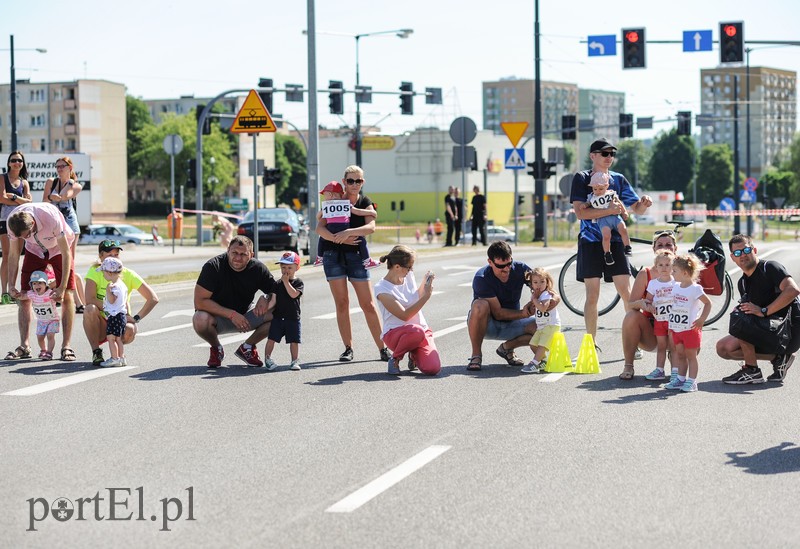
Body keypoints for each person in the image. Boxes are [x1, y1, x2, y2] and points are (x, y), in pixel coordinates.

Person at [570, 138, 652, 349]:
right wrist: (611, 211)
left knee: (628, 293)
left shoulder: (618, 179)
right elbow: (581, 213)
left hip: (615, 242)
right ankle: (591, 342)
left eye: (612, 154)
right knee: (592, 294)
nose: (609, 157)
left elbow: (636, 209)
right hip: (590, 241)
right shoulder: (582, 178)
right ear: (593, 156)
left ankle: (636, 340)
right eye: (604, 153)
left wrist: (643, 204)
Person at [316, 165, 389, 363]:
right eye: (350, 181)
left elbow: (371, 227)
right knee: (342, 303)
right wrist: (337, 239)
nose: (354, 184)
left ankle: (383, 348)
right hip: (333, 256)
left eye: (358, 181)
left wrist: (349, 233)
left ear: (362, 182)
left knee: (368, 304)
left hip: (357, 257)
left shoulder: (365, 202)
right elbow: (319, 228)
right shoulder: (334, 201)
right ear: (344, 182)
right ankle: (348, 348)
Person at [717, 235, 800, 384]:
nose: (742, 255)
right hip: (770, 330)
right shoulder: (743, 283)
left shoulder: (770, 267)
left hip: (789, 330)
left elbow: (792, 290)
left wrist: (764, 311)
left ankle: (752, 370)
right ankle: (779, 358)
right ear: (733, 257)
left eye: (746, 249)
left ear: (754, 250)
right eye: (737, 253)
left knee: (742, 320)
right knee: (724, 348)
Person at [5, 202, 77, 362]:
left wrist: (62, 288)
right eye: (22, 237)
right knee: (23, 295)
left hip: (59, 249)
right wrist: (10, 284)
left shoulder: (50, 217)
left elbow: (66, 254)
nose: (24, 238)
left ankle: (66, 346)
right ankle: (24, 346)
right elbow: (13, 254)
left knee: (67, 295)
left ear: (33, 223)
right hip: (35, 250)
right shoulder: (13, 221)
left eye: (27, 234)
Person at [193, 236, 277, 369]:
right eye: (234, 253)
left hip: (246, 316)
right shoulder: (213, 266)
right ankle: (216, 349)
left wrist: (266, 298)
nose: (238, 258)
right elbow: (199, 302)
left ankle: (247, 348)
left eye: (243, 254)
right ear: (228, 251)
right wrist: (231, 314)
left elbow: (279, 293)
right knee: (199, 318)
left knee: (283, 313)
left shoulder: (258, 268)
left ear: (251, 255)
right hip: (217, 318)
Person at [465, 241, 545, 371]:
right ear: (490, 262)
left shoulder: (520, 269)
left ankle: (507, 348)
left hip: (512, 324)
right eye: (501, 266)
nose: (507, 269)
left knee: (543, 327)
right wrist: (524, 313)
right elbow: (498, 313)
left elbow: (542, 285)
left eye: (509, 264)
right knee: (480, 305)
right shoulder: (482, 277)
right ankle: (476, 355)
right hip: (487, 326)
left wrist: (539, 298)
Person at [83, 240, 160, 366]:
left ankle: (118, 355)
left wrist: (136, 318)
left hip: (118, 319)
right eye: (109, 255)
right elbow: (89, 299)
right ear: (101, 257)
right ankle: (96, 351)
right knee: (89, 309)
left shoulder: (128, 274)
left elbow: (153, 298)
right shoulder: (95, 271)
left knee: (130, 329)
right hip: (102, 321)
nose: (113, 258)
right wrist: (110, 309)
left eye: (116, 255)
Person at [620, 230, 679, 379]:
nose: (664, 248)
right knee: (631, 316)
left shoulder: (683, 272)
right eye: (660, 245)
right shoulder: (645, 274)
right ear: (654, 249)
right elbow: (631, 303)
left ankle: (677, 361)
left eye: (668, 245)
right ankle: (628, 365)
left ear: (675, 249)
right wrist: (641, 303)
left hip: (677, 328)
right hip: (653, 332)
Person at [374, 245, 441, 376]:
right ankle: (395, 358)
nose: (411, 270)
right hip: (396, 334)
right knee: (416, 331)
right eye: (409, 267)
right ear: (397, 267)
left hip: (420, 331)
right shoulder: (382, 289)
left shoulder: (407, 276)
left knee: (432, 368)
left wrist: (425, 282)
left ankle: (413, 354)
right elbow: (404, 315)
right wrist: (426, 297)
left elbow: (415, 296)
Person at [661, 254, 711, 392]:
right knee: (680, 354)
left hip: (690, 328)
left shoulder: (695, 289)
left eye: (674, 271)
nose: (672, 273)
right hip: (677, 328)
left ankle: (692, 381)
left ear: (685, 273)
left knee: (691, 356)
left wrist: (701, 319)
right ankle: (681, 379)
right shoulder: (676, 286)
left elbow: (708, 303)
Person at [42, 156, 86, 313]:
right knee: (55, 260)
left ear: (70, 168)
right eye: (57, 166)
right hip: (54, 225)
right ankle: (60, 293)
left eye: (63, 166)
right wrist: (50, 197)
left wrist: (67, 185)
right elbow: (45, 201)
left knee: (70, 262)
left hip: (70, 224)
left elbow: (65, 196)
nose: (59, 169)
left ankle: (77, 302)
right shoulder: (50, 181)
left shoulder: (76, 185)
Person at [313, 180, 379, 269]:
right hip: (344, 227)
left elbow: (318, 216)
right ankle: (367, 261)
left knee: (323, 238)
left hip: (331, 228)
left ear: (331, 194)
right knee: (361, 240)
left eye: (325, 194)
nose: (324, 197)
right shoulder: (346, 203)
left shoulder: (326, 206)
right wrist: (371, 212)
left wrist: (322, 216)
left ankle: (319, 258)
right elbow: (358, 212)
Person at [639, 250, 677, 383]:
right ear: (656, 266)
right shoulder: (653, 284)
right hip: (659, 320)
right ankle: (659, 370)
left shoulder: (676, 283)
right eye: (660, 265)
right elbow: (648, 299)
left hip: (673, 321)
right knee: (661, 346)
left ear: (673, 267)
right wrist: (648, 305)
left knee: (674, 347)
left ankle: (675, 371)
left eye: (668, 265)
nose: (664, 268)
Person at [580, 171, 632, 265]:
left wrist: (624, 212)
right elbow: (589, 203)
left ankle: (627, 247)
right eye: (595, 189)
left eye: (600, 188)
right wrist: (584, 205)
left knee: (623, 229)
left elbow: (619, 202)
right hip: (603, 219)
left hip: (615, 217)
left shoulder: (611, 194)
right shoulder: (592, 196)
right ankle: (607, 253)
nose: (598, 191)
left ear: (606, 186)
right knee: (606, 236)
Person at [263, 252, 304, 371]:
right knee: (271, 339)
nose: (286, 270)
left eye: (289, 267)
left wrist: (286, 282)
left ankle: (294, 360)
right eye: (283, 267)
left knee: (294, 341)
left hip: (292, 317)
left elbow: (294, 294)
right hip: (278, 317)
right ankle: (268, 359)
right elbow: (273, 300)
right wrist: (266, 308)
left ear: (297, 267)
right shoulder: (277, 284)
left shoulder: (298, 283)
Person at [1, 152, 32, 305]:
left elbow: (29, 201)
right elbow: (1, 198)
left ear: (22, 163)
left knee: (17, 256)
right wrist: (20, 201)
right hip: (4, 220)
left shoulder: (24, 182)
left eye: (19, 160)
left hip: (19, 222)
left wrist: (12, 197)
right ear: (9, 163)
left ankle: (14, 290)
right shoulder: (2, 178)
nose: (16, 163)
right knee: (7, 255)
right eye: (13, 160)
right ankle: (4, 292)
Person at [521, 267, 561, 374]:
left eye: (542, 281)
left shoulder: (546, 294)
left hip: (551, 325)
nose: (539, 285)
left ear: (547, 283)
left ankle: (534, 363)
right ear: (531, 284)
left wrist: (534, 299)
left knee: (542, 344)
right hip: (541, 326)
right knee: (533, 344)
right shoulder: (536, 295)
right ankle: (544, 361)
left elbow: (543, 308)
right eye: (535, 282)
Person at [14, 270, 59, 360]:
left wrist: (57, 296)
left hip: (52, 319)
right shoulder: (32, 294)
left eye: (40, 283)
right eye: (34, 283)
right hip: (41, 320)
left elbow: (59, 299)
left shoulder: (50, 293)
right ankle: (43, 350)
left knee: (50, 335)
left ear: (45, 284)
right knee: (40, 337)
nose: (37, 286)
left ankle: (49, 353)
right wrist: (17, 295)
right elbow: (24, 296)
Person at [97, 257, 129, 368]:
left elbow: (112, 300)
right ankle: (122, 358)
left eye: (103, 272)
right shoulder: (122, 284)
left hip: (114, 316)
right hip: (121, 315)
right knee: (118, 338)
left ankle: (114, 358)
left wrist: (107, 291)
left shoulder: (114, 286)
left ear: (110, 272)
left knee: (111, 338)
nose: (103, 275)